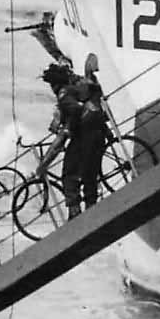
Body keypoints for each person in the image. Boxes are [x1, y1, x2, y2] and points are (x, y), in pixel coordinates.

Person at [37, 61, 111, 219]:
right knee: (90, 173)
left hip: (86, 135)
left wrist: (43, 165)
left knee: (69, 174)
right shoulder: (77, 89)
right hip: (99, 132)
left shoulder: (64, 95)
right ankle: (92, 208)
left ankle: (74, 212)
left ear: (54, 84)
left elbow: (74, 112)